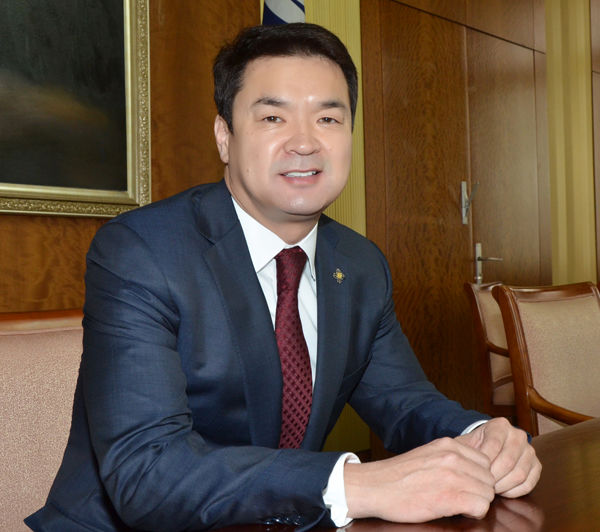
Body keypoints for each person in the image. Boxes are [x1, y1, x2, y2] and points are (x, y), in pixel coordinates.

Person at [25, 23, 541, 531]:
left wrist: (481, 435)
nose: (304, 143)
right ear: (225, 136)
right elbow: (147, 473)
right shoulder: (143, 251)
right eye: (273, 117)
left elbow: (404, 403)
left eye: (328, 119)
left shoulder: (360, 264)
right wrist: (354, 484)